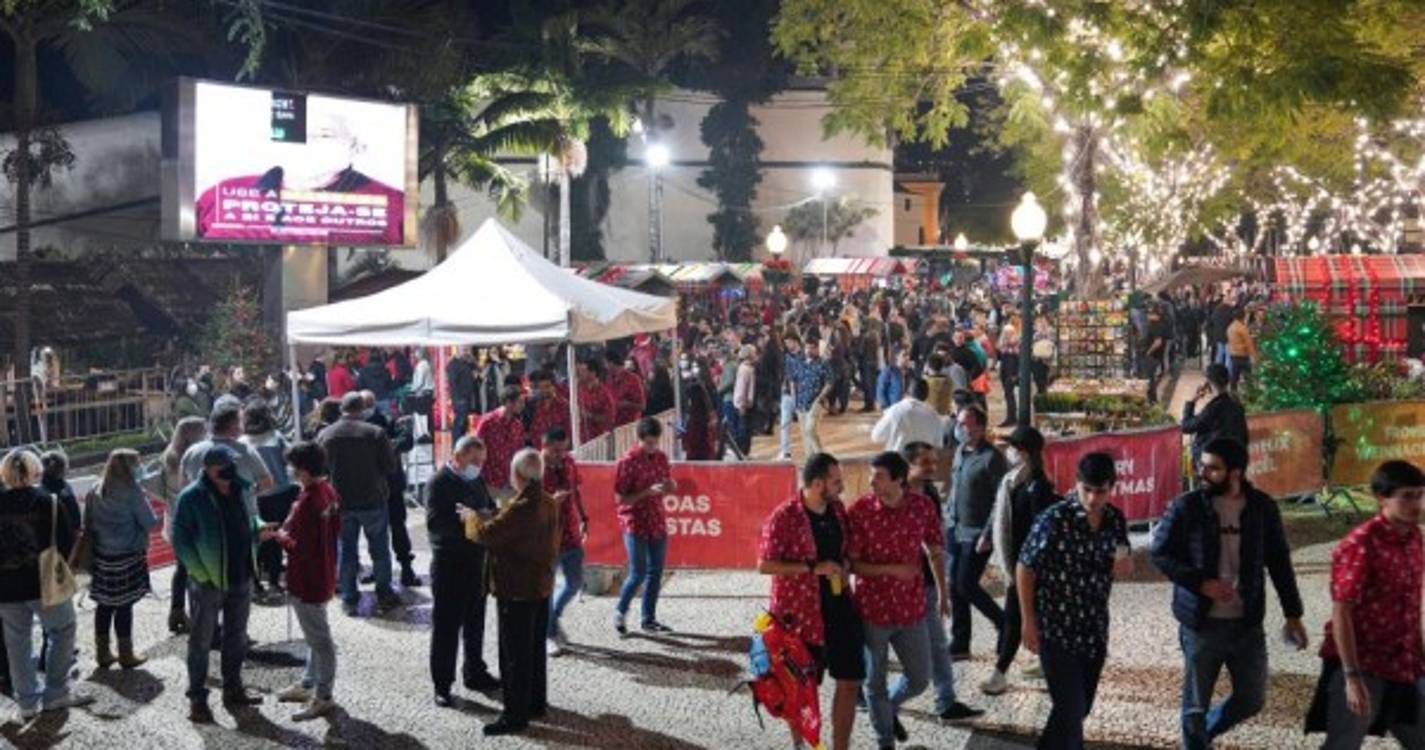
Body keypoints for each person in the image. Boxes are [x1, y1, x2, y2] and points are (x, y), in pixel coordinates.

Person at [1149, 437, 1306, 749]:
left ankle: (1201, 736)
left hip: (1246, 624)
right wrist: (1199, 582)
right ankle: (1195, 741)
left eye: (1213, 468)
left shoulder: (1262, 508)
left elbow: (1279, 561)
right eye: (1202, 465)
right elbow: (1161, 554)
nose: (1202, 473)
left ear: (1236, 473)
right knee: (1194, 706)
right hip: (1201, 623)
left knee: (1252, 699)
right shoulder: (1187, 507)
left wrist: (1293, 614)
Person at [1305, 460, 1425, 746]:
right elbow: (1341, 611)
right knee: (1343, 743)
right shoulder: (1361, 544)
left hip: (1403, 662)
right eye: (1407, 496)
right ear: (1382, 498)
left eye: (1420, 495)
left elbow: (1410, 605)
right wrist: (1351, 676)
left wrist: (1420, 656)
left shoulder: (1414, 538)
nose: (1416, 503)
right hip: (1363, 663)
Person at [1017, 452, 1132, 750]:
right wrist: (1028, 621)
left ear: (1112, 488)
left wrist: (1124, 563)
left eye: (1101, 491)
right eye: (1087, 490)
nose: (1093, 498)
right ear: (1077, 484)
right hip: (1056, 630)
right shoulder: (1054, 519)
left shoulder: (1115, 520)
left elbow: (1122, 553)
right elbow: (1025, 567)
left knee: (1079, 709)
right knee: (1070, 716)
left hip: (1093, 630)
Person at [757, 452, 863, 750]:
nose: (841, 487)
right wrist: (812, 568)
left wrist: (843, 564)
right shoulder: (784, 516)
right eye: (836, 481)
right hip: (799, 616)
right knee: (801, 688)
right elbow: (765, 565)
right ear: (817, 484)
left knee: (851, 678)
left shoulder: (838, 510)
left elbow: (844, 549)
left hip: (839, 605)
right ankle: (801, 745)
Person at [849, 451, 948, 749]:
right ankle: (885, 741)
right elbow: (852, 564)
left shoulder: (922, 506)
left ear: (899, 480)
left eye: (878, 476)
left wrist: (943, 592)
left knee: (920, 677)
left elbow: (934, 548)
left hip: (911, 609)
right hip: (871, 611)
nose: (871, 481)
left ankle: (887, 708)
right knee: (873, 682)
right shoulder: (860, 510)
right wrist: (892, 570)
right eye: (871, 475)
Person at [172, 445, 277, 722]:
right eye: (223, 467)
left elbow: (247, 519)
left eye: (231, 464)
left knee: (237, 636)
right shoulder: (191, 497)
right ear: (208, 469)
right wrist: (202, 574)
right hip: (208, 582)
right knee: (201, 641)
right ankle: (197, 698)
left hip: (241, 575)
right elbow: (180, 540)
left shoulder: (240, 489)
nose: (230, 471)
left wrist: (259, 528)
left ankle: (233, 688)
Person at [460, 448, 561, 737]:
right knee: (533, 651)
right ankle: (535, 702)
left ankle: (515, 716)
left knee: (514, 654)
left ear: (517, 475)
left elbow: (489, 535)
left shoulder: (523, 506)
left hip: (517, 588)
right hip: (540, 585)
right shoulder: (548, 501)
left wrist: (470, 517)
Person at [0, 449, 92, 718]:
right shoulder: (49, 501)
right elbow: (64, 543)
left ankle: (27, 702)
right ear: (34, 471)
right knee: (62, 631)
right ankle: (55, 692)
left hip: (5, 586)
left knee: (16, 643)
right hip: (45, 581)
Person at [905, 441, 984, 723]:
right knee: (882, 647)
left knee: (938, 645)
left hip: (924, 584)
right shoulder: (893, 494)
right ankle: (872, 696)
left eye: (934, 461)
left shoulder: (928, 494)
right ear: (908, 464)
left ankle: (945, 702)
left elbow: (935, 543)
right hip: (894, 589)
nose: (932, 467)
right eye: (925, 462)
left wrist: (942, 590)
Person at [977, 425, 1058, 695]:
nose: (1008, 451)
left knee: (1015, 618)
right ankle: (1047, 662)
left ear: (1024, 452)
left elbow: (1041, 529)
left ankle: (1000, 673)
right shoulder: (1013, 481)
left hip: (1028, 567)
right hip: (1015, 563)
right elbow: (1002, 515)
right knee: (1035, 615)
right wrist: (989, 535)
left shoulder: (1039, 487)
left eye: (1013, 447)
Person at [425, 435, 501, 706]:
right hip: (450, 566)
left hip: (477, 563)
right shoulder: (439, 482)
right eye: (474, 461)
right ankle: (442, 684)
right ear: (458, 457)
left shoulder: (475, 480)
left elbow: (489, 509)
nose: (479, 466)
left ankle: (475, 671)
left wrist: (487, 515)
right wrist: (469, 521)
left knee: (475, 622)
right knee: (446, 627)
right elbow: (436, 526)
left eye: (481, 462)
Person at [273, 441, 343, 722]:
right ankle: (308, 683)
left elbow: (297, 546)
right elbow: (334, 529)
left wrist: (278, 536)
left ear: (302, 469)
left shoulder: (308, 500)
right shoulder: (328, 491)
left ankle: (323, 695)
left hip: (306, 578)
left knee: (320, 640)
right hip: (324, 571)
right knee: (315, 634)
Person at [315, 392, 400, 616]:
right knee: (380, 549)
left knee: (346, 550)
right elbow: (389, 466)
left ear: (342, 409)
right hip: (372, 499)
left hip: (341, 501)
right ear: (362, 409)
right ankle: (384, 592)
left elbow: (319, 470)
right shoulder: (375, 433)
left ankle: (349, 596)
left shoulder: (326, 435)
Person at [86, 449, 159, 670]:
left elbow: (87, 521)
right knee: (124, 605)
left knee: (104, 604)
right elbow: (149, 522)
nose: (140, 468)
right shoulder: (133, 491)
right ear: (130, 468)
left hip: (101, 555)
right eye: (137, 464)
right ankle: (126, 653)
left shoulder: (95, 489)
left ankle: (103, 652)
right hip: (127, 554)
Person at [946, 405, 1007, 659]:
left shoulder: (992, 458)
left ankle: (1003, 621)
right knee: (954, 585)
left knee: (966, 584)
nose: (962, 429)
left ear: (981, 428)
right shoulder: (960, 451)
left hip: (977, 533)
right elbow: (955, 486)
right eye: (959, 423)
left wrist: (988, 533)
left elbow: (1000, 500)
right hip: (956, 528)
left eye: (967, 424)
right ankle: (960, 643)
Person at [613, 417, 678, 635]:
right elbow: (620, 498)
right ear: (639, 439)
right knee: (638, 572)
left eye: (655, 442)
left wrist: (670, 486)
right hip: (634, 520)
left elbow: (667, 483)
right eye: (648, 442)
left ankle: (648, 619)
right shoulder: (628, 461)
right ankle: (620, 612)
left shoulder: (661, 457)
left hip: (656, 519)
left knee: (656, 572)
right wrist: (645, 493)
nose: (652, 447)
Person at [158, 416, 208, 634]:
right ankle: (198, 614)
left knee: (181, 568)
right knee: (197, 569)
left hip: (174, 517)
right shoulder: (195, 458)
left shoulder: (168, 456)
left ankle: (176, 611)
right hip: (193, 519)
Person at [240, 401, 293, 598]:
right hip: (279, 493)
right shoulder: (276, 437)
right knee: (275, 538)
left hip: (254, 496)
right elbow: (291, 458)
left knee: (256, 539)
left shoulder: (242, 441)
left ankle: (254, 582)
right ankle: (273, 581)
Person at [543, 428, 587, 657]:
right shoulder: (534, 467)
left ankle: (553, 618)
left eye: (564, 449)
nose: (561, 454)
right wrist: (551, 501)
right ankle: (549, 633)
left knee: (575, 582)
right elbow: (525, 502)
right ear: (546, 446)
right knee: (546, 588)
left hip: (570, 531)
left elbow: (576, 490)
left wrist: (584, 516)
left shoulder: (570, 462)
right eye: (556, 450)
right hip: (546, 535)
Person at [1181, 363, 1249, 468]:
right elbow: (1245, 438)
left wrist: (1191, 401)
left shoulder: (1213, 409)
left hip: (1211, 465)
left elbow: (1186, 426)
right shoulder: (1237, 407)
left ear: (1209, 384)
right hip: (1232, 463)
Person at [476, 384, 528, 495]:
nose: (523, 405)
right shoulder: (487, 422)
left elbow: (519, 451)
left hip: (510, 481)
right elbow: (477, 448)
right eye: (520, 402)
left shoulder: (517, 425)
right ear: (509, 402)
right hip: (490, 480)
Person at [870, 377, 944, 453]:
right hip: (922, 462)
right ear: (927, 395)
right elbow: (938, 445)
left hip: (898, 461)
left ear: (907, 391)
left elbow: (876, 436)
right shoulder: (935, 415)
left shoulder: (895, 410)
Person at [793, 340, 834, 459]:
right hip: (801, 401)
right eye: (807, 348)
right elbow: (795, 380)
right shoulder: (801, 363)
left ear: (817, 349)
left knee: (810, 430)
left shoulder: (823, 363)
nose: (809, 351)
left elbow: (830, 382)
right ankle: (810, 460)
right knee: (804, 434)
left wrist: (820, 397)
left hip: (816, 402)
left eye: (812, 348)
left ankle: (821, 457)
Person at [777, 334, 804, 460]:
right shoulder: (786, 357)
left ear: (795, 341)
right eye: (786, 343)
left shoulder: (804, 356)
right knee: (784, 424)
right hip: (787, 394)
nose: (787, 345)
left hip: (802, 394)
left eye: (789, 342)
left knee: (804, 426)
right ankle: (785, 451)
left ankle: (809, 451)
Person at [606, 349, 647, 429]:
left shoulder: (633, 379)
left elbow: (642, 406)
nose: (605, 366)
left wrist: (627, 404)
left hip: (630, 427)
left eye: (606, 363)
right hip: (614, 427)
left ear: (611, 363)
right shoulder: (609, 380)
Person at [732, 344, 758, 457]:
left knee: (746, 429)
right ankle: (742, 452)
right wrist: (742, 404)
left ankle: (745, 452)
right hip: (743, 404)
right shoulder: (745, 369)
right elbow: (742, 388)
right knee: (744, 430)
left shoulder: (749, 368)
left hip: (747, 403)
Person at [446, 349, 477, 439]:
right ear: (458, 352)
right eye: (464, 350)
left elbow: (476, 367)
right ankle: (456, 444)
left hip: (465, 397)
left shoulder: (465, 363)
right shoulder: (453, 365)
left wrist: (471, 359)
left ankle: (460, 442)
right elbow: (453, 382)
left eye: (466, 350)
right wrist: (458, 396)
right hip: (460, 398)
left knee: (463, 422)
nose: (466, 352)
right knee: (460, 421)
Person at [997, 315, 1020, 427]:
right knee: (1008, 394)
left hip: (1011, 372)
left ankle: (1012, 418)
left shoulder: (1016, 348)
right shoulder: (1005, 348)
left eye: (1008, 333)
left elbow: (1018, 360)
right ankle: (1011, 417)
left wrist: (1015, 375)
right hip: (1005, 371)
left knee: (1010, 394)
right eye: (1005, 333)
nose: (1006, 336)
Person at [1225, 309, 1256, 392]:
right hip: (1243, 356)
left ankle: (1233, 393)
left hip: (1233, 355)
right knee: (1248, 378)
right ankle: (1251, 395)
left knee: (1234, 377)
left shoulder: (1230, 327)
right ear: (1243, 316)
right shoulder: (1242, 328)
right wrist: (1254, 356)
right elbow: (1249, 343)